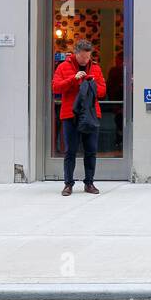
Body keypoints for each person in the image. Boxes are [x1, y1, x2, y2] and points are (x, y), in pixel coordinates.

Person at [51, 39, 106, 196]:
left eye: (88, 57)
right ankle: (68, 184)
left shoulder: (95, 67)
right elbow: (55, 87)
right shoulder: (63, 67)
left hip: (91, 114)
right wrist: (73, 79)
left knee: (91, 150)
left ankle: (89, 183)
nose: (85, 60)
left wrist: (92, 84)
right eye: (82, 57)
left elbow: (102, 91)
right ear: (76, 53)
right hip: (70, 114)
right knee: (70, 151)